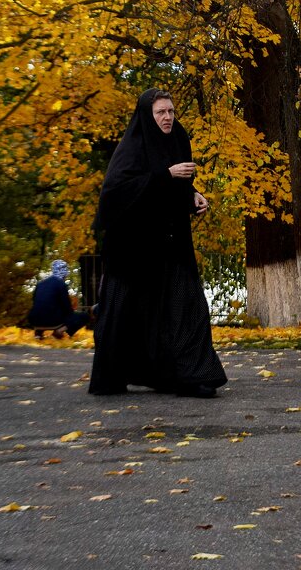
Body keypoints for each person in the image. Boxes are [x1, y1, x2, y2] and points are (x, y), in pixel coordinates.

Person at [88, 88, 228, 398]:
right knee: (124, 313)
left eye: (170, 111)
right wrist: (165, 175)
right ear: (147, 116)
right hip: (132, 249)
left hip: (170, 242)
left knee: (187, 304)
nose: (167, 118)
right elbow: (115, 196)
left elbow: (179, 186)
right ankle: (112, 377)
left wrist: (194, 197)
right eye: (160, 113)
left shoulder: (178, 140)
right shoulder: (131, 149)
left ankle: (194, 377)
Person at [28, 260, 88, 339]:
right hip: (53, 321)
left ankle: (38, 333)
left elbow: (36, 302)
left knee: (42, 311)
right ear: (65, 272)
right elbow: (67, 308)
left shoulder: (40, 284)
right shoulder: (61, 284)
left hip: (34, 320)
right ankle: (59, 331)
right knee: (84, 316)